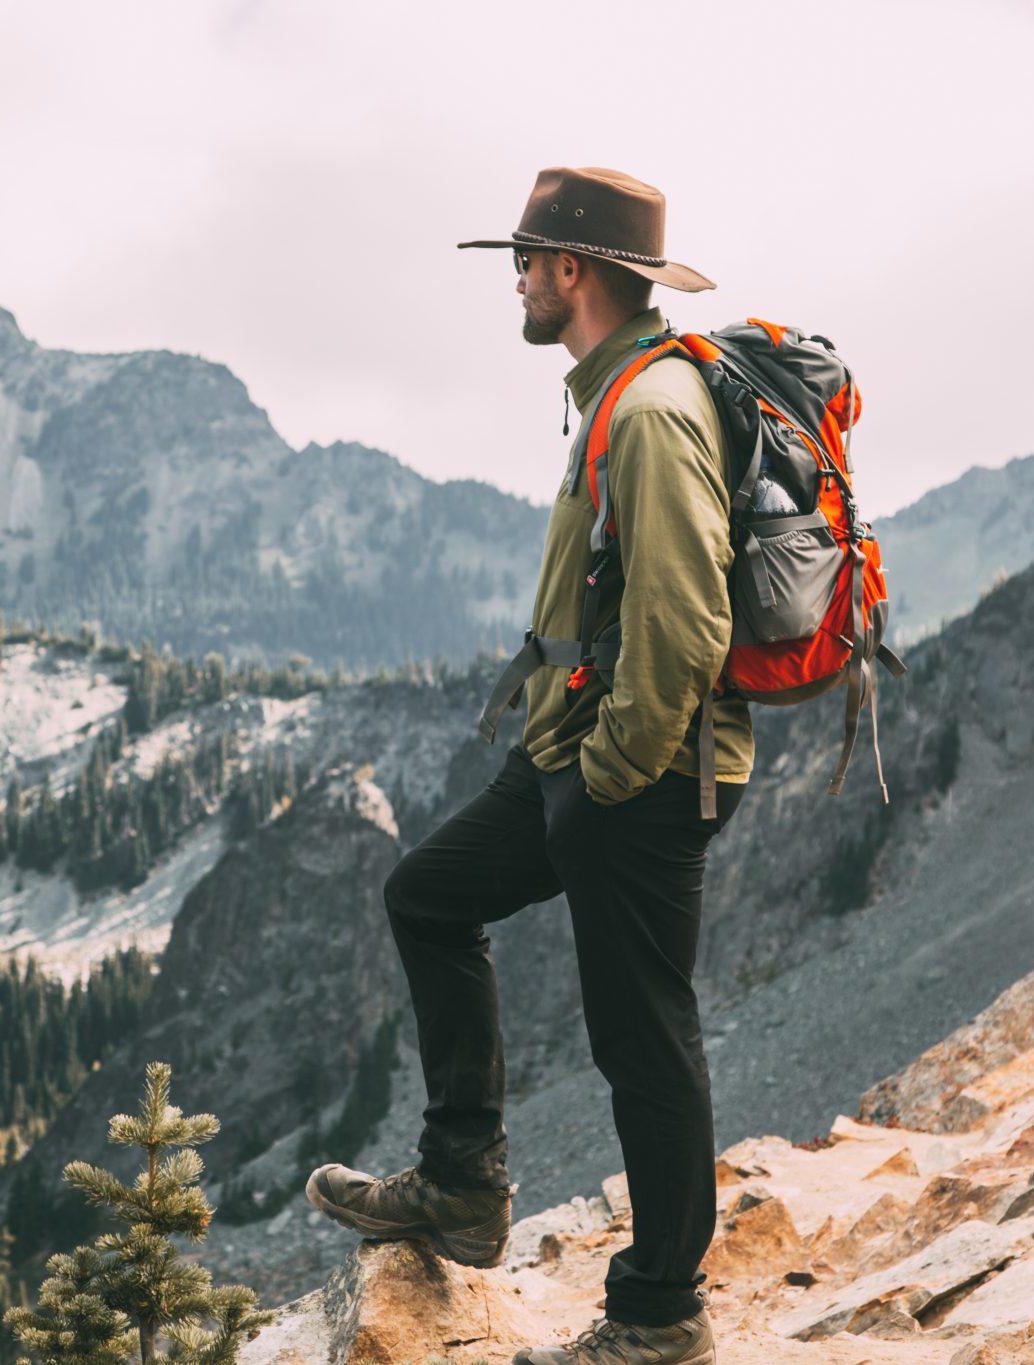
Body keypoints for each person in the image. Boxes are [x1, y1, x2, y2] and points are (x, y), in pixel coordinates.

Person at [306, 166, 748, 1365]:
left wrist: (607, 778)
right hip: (579, 747)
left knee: (641, 1037)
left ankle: (660, 1318)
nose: (513, 277)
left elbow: (681, 624)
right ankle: (461, 1188)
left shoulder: (652, 412)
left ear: (574, 272)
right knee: (427, 894)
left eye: (525, 258)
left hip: (638, 773)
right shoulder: (614, 392)